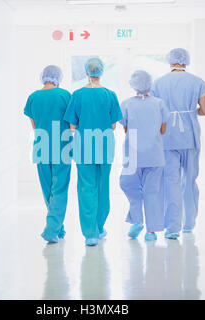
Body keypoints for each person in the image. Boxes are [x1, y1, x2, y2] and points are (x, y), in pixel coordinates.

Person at [151, 48, 205, 240]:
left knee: (171, 181)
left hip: (167, 136)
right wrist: (191, 113)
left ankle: (173, 227)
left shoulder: (158, 83)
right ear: (186, 61)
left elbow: (155, 111)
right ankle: (189, 222)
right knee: (190, 180)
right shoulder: (197, 82)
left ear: (170, 61)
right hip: (190, 135)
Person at [63, 57, 123, 247]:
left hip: (84, 146)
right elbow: (113, 125)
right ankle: (99, 226)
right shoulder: (110, 95)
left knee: (86, 187)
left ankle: (90, 234)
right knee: (102, 186)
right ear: (101, 72)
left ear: (87, 73)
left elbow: (72, 125)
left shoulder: (78, 95)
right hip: (105, 145)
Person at [24, 65, 72, 244]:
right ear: (58, 78)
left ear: (43, 77)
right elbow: (72, 122)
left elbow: (34, 125)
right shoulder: (65, 95)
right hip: (63, 146)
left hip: (42, 146)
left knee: (47, 189)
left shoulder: (33, 97)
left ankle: (57, 226)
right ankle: (52, 229)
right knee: (59, 189)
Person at [119, 70, 170, 241]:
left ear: (133, 85)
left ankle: (137, 219)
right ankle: (151, 231)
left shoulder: (126, 104)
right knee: (152, 192)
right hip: (154, 154)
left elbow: (125, 128)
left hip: (132, 154)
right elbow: (163, 130)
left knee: (129, 186)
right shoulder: (159, 103)